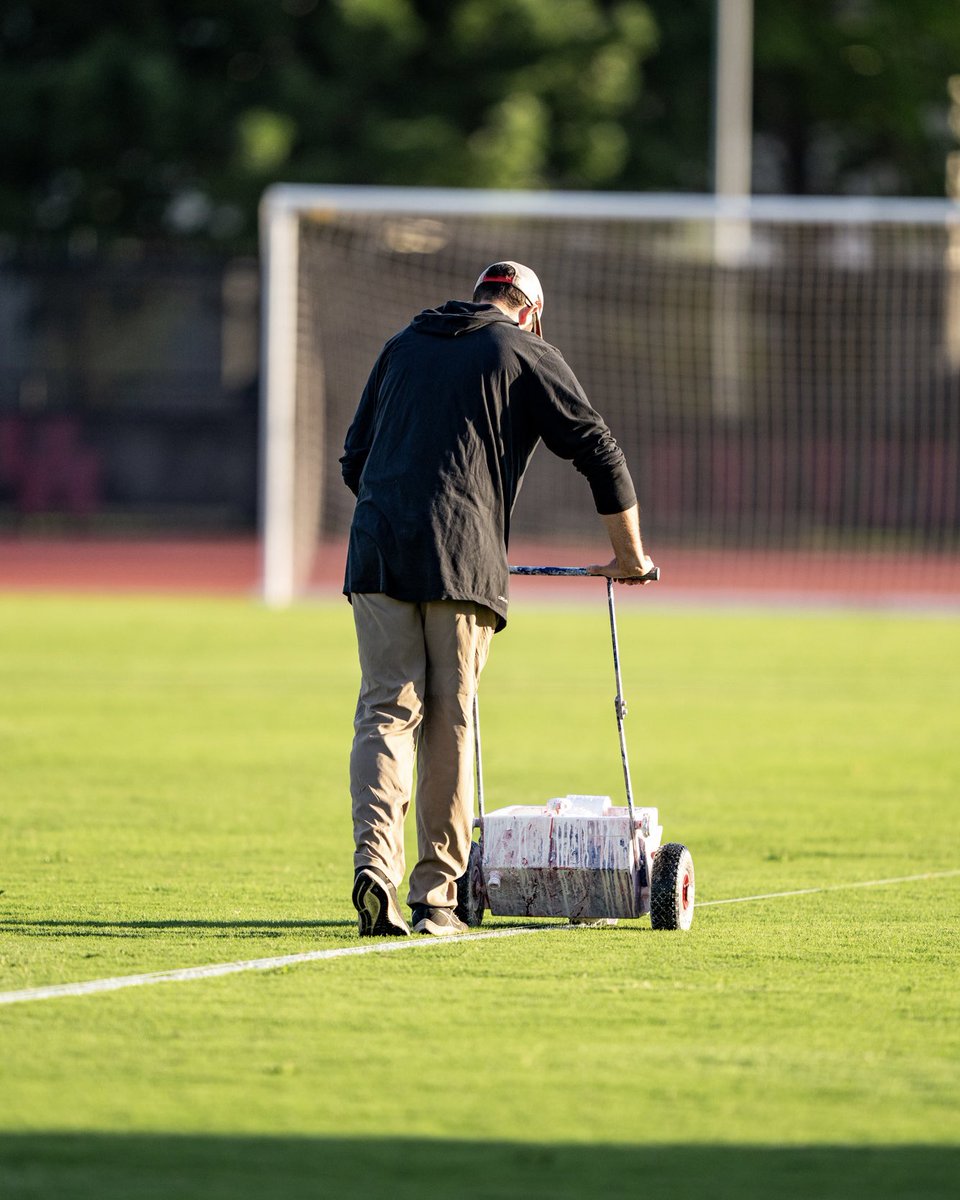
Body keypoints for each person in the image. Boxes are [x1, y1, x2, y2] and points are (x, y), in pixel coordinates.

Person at [340, 261, 656, 938]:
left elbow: (353, 460)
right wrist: (630, 558)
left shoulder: (402, 344)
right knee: (450, 719)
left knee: (386, 714)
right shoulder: (523, 349)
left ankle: (374, 865)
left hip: (377, 550)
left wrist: (401, 515)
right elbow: (598, 447)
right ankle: (435, 899)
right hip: (461, 555)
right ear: (531, 312)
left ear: (480, 295)